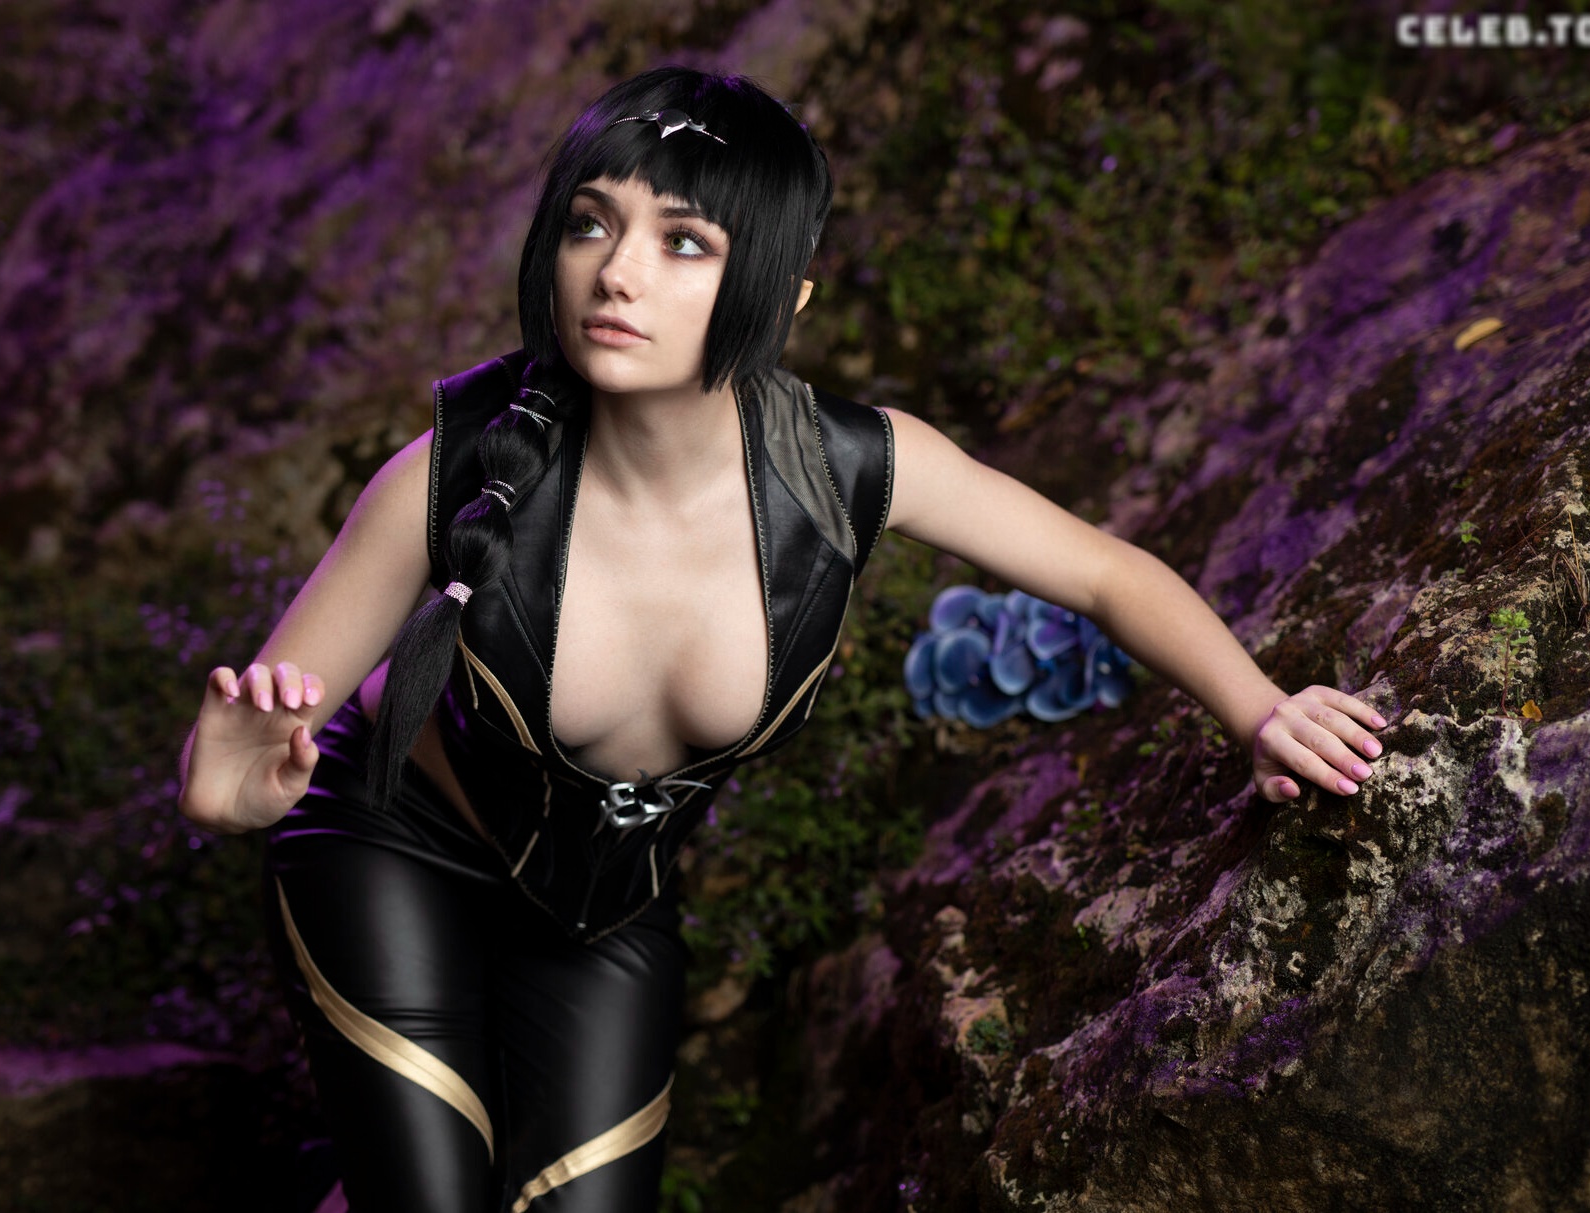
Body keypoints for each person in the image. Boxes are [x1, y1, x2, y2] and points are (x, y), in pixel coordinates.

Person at [175, 67, 1387, 1212]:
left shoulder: (851, 466)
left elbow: (1103, 572)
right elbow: (249, 747)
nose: (617, 274)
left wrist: (1260, 708)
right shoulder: (446, 473)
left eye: (683, 242)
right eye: (591, 224)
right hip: (396, 848)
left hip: (607, 911)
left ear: (783, 293)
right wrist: (227, 789)